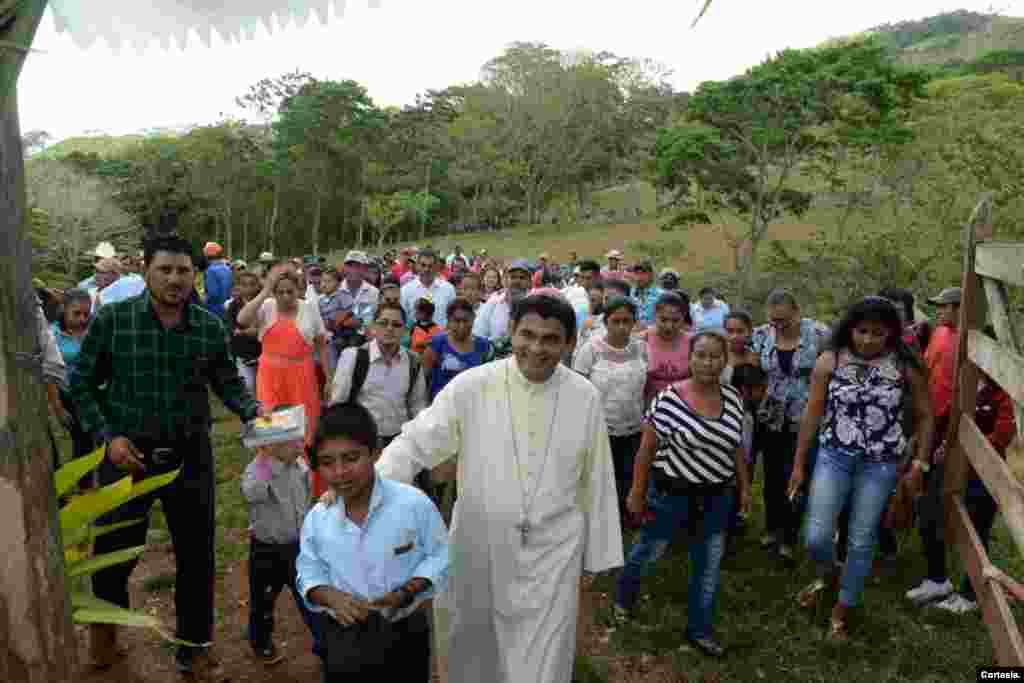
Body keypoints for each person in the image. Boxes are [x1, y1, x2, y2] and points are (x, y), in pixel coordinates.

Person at [374, 294, 623, 683]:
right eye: (528, 335)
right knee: (474, 648)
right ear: (511, 333)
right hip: (479, 547)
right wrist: (368, 490)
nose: (537, 348)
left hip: (553, 555)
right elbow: (415, 442)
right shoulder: (473, 386)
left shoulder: (585, 397)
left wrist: (597, 555)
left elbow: (597, 478)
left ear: (569, 343)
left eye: (550, 339)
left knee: (542, 660)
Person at [70, 233, 265, 677]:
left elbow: (228, 384)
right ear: (146, 271)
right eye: (166, 269)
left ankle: (193, 648)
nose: (176, 279)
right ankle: (105, 632)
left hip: (190, 457)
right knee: (114, 552)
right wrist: (109, 438)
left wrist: (257, 414)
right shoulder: (115, 321)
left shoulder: (208, 327)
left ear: (194, 275)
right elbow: (81, 383)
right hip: (126, 457)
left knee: (197, 558)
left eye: (183, 271)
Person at [787, 297, 933, 641]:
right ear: (850, 328)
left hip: (880, 464)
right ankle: (831, 576)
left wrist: (919, 464)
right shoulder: (831, 359)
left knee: (861, 538)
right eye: (862, 331)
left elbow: (926, 416)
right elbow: (812, 412)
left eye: (877, 333)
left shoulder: (904, 365)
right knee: (816, 537)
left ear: (891, 334)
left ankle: (842, 609)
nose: (868, 339)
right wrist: (798, 464)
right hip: (833, 456)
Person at [615, 331, 752, 658]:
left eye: (715, 356)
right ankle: (624, 599)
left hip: (717, 496)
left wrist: (745, 487)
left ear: (725, 360)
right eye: (701, 355)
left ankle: (699, 630)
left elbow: (736, 448)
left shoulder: (733, 398)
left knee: (708, 566)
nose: (708, 362)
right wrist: (636, 492)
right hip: (671, 494)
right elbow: (646, 451)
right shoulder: (668, 399)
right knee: (649, 551)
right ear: (690, 359)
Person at [297, 402, 449, 681]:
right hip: (344, 638)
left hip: (405, 633)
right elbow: (308, 571)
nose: (340, 472)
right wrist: (329, 596)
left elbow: (440, 556)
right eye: (328, 463)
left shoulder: (413, 505)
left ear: (376, 452)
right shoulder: (318, 520)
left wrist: (406, 592)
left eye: (351, 458)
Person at [237, 263, 329, 495]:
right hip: (270, 377)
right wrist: (266, 290)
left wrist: (329, 378)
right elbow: (242, 319)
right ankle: (266, 488)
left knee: (304, 434)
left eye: (290, 291)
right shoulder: (267, 306)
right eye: (280, 292)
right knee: (269, 432)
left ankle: (306, 488)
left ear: (298, 290)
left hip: (302, 377)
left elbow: (321, 344)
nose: (285, 297)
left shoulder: (309, 308)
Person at [751, 289, 829, 562]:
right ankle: (772, 527)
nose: (779, 326)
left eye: (784, 320)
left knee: (797, 475)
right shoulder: (761, 335)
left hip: (805, 417)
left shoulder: (819, 334)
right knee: (772, 476)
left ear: (797, 312)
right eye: (774, 321)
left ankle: (789, 535)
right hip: (771, 416)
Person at [905, 286, 963, 606]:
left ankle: (938, 578)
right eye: (938, 306)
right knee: (923, 501)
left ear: (960, 308)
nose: (940, 311)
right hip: (926, 425)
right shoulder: (941, 333)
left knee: (931, 505)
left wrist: (942, 438)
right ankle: (934, 573)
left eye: (946, 306)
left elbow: (954, 396)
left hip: (943, 433)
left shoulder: (965, 343)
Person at [241, 434, 319, 664]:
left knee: (311, 596)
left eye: (300, 440)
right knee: (263, 601)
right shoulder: (258, 469)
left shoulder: (299, 464)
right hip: (267, 551)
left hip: (298, 547)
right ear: (273, 444)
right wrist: (266, 457)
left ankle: (325, 642)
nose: (300, 445)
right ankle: (260, 641)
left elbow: (306, 498)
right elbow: (251, 492)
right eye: (293, 442)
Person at [573, 296, 648, 519]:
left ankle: (628, 513)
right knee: (603, 473)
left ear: (634, 322)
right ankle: (603, 517)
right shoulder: (592, 349)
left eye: (627, 321)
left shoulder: (641, 349)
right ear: (606, 322)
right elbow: (578, 388)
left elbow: (647, 384)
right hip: (601, 426)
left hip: (634, 424)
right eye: (616, 321)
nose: (622, 327)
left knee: (630, 472)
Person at [329, 302, 429, 449]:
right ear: (374, 327)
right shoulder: (353, 357)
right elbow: (338, 404)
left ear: (404, 330)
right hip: (362, 442)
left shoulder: (413, 361)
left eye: (396, 325)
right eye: (384, 323)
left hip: (399, 443)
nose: (389, 329)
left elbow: (418, 406)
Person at [51, 289, 95, 485]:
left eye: (86, 313)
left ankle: (86, 483)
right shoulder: (53, 335)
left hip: (93, 392)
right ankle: (80, 484)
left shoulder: (94, 329)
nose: (82, 318)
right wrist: (58, 407)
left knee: (90, 440)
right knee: (81, 440)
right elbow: (49, 375)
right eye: (76, 313)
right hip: (67, 394)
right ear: (64, 310)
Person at [422, 298, 492, 402]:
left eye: (465, 321)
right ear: (449, 321)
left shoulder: (483, 346)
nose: (461, 326)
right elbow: (423, 380)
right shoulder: (437, 343)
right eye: (457, 321)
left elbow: (488, 382)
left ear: (473, 319)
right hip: (442, 408)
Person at [644, 292, 693, 407]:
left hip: (683, 407)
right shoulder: (642, 340)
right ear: (655, 315)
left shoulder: (693, 343)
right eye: (663, 320)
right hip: (649, 408)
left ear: (684, 317)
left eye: (676, 321)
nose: (669, 326)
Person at [473, 259, 532, 341]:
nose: (517, 281)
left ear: (529, 282)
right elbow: (478, 333)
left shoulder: (534, 306)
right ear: (507, 279)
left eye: (522, 278)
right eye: (513, 277)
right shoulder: (494, 302)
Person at [226, 272, 263, 394]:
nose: (248, 288)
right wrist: (247, 332)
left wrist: (247, 331)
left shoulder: (265, 303)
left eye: (252, 284)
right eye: (244, 285)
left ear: (258, 286)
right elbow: (232, 330)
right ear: (238, 287)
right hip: (243, 355)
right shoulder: (233, 306)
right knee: (248, 387)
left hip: (264, 355)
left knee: (264, 390)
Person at [400, 248, 456, 328]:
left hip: (443, 338)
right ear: (417, 266)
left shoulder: (448, 289)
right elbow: (403, 319)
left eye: (430, 266)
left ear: (436, 267)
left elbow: (453, 316)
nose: (426, 269)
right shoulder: (406, 290)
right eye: (423, 265)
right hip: (416, 339)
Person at [722, 310, 760, 385]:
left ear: (750, 332)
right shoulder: (719, 357)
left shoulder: (756, 357)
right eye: (730, 331)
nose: (735, 336)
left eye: (740, 331)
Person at [202, 242, 233, 319]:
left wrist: (202, 302)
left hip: (215, 311)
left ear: (207, 255)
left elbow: (213, 294)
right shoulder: (227, 268)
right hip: (227, 308)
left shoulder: (210, 270)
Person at [629, 261, 663, 331]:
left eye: (643, 273)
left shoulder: (661, 295)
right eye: (637, 273)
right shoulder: (630, 294)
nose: (639, 277)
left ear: (651, 275)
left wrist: (647, 328)